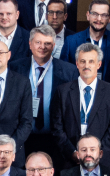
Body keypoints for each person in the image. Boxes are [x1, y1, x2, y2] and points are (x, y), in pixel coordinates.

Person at [53, 42, 110, 174]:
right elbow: (57, 127)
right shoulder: (63, 91)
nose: (86, 65)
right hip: (70, 158)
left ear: (99, 64)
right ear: (77, 64)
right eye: (82, 61)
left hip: (103, 159)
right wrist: (72, 152)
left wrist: (97, 153)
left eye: (91, 61)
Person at [16, 24, 77, 165]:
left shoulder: (69, 71)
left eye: (47, 43)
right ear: (30, 44)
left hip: (55, 138)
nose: (42, 47)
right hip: (23, 138)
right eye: (38, 42)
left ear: (54, 46)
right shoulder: (15, 68)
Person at [61, 0, 110, 81]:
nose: (99, 19)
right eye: (95, 14)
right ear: (88, 15)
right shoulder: (71, 41)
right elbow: (63, 74)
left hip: (109, 92)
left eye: (104, 15)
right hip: (78, 91)